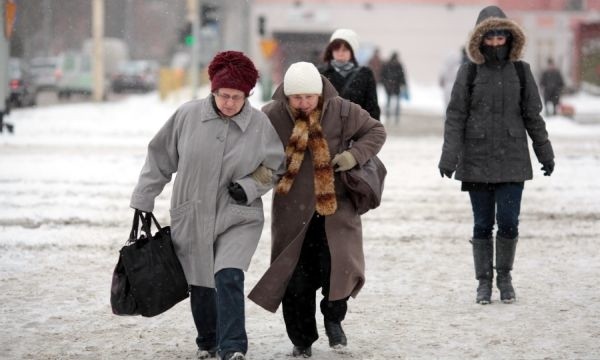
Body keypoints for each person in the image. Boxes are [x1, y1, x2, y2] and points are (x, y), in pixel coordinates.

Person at [129, 51, 285, 360]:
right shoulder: (187, 116)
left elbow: (275, 167)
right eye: (223, 95)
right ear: (212, 91)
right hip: (193, 212)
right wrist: (143, 200)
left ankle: (233, 347)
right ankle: (209, 340)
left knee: (228, 276)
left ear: (247, 95)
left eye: (236, 97)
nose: (228, 102)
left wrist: (249, 186)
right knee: (200, 284)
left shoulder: (259, 125)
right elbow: (159, 158)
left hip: (239, 216)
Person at [248, 62, 386, 357]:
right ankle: (302, 339)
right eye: (296, 98)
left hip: (335, 208)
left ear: (320, 92)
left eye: (309, 97)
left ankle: (333, 317)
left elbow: (375, 131)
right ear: (286, 96)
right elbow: (252, 149)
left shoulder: (342, 110)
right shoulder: (271, 115)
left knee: (340, 269)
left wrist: (352, 156)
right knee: (295, 279)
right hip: (292, 211)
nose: (304, 103)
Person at [438, 6, 555, 305]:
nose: (495, 42)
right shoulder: (469, 72)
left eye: (501, 36)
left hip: (513, 159)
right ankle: (484, 282)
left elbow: (533, 115)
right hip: (476, 159)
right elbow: (456, 117)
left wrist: (545, 153)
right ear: (480, 39)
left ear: (509, 37)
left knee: (509, 221)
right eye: (489, 37)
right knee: (481, 224)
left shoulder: (521, 71)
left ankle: (504, 277)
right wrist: (448, 158)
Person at [318, 28, 381, 120]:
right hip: (327, 130)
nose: (340, 53)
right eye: (336, 49)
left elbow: (372, 108)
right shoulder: (320, 73)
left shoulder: (364, 74)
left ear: (352, 51)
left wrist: (372, 131)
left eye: (344, 50)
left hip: (356, 130)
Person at [380, 51, 407, 124]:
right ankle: (391, 116)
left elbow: (402, 75)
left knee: (393, 102)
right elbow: (383, 75)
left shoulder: (392, 65)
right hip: (392, 86)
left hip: (393, 86)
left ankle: (394, 116)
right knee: (391, 102)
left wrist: (403, 83)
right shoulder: (393, 65)